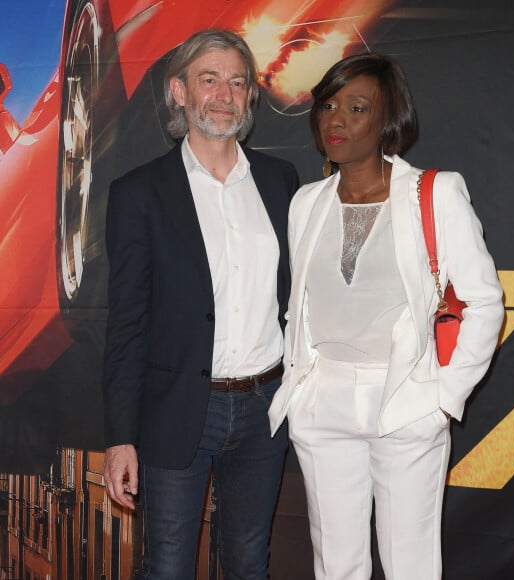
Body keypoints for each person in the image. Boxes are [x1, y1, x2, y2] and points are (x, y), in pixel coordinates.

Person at [268, 53, 504, 580]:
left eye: (356, 108)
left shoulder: (435, 194)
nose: (337, 120)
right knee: (335, 566)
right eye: (328, 105)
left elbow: (485, 302)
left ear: (387, 120)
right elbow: (297, 309)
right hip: (322, 403)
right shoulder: (306, 202)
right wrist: (299, 389)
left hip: (404, 400)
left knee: (410, 567)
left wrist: (443, 398)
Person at [102, 29, 299, 579]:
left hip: (265, 409)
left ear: (250, 98)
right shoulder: (138, 193)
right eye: (208, 79)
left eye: (237, 82)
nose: (223, 93)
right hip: (178, 409)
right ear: (179, 92)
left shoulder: (281, 182)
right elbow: (126, 325)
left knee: (247, 565)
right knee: (166, 568)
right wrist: (120, 437)